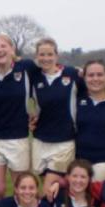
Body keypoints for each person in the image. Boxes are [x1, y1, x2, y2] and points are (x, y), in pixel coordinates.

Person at [0, 34, 34, 198]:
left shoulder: (26, 67)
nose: (0, 50)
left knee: (22, 190)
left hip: (18, 138)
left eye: (4, 46)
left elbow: (50, 72)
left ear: (12, 49)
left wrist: (80, 72)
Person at [31, 38, 82, 195]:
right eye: (42, 54)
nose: (45, 58)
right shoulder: (34, 77)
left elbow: (96, 84)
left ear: (56, 55)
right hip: (40, 139)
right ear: (37, 56)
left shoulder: (72, 74)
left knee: (47, 188)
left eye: (49, 54)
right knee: (51, 186)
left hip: (64, 141)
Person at [75, 60, 105, 180]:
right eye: (90, 75)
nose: (95, 79)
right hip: (80, 161)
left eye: (100, 75)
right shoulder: (76, 98)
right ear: (84, 78)